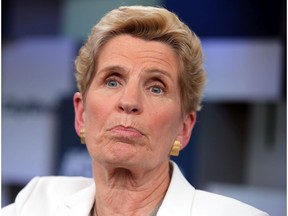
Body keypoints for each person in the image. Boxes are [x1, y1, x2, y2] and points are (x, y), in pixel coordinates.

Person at [2, 5, 269, 216]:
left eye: (156, 88)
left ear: (184, 128)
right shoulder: (38, 202)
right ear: (81, 114)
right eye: (113, 81)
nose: (129, 101)